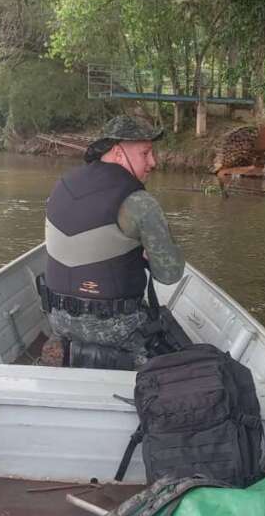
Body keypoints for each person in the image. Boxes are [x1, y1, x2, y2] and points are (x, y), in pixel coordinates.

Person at [41, 115, 184, 367]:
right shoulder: (140, 202)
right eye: (145, 153)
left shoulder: (60, 186)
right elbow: (170, 274)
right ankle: (129, 362)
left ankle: (69, 353)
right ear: (118, 153)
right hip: (117, 329)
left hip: (58, 320)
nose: (153, 162)